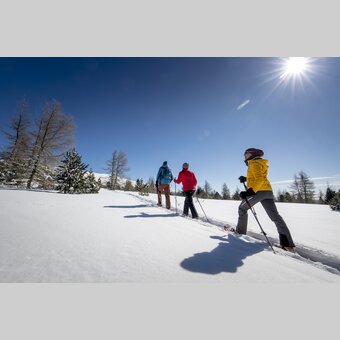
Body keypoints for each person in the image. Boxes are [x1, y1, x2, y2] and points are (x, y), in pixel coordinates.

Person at [233, 148, 296, 251]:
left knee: (242, 209)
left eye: (246, 153)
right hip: (267, 191)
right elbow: (259, 177)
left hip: (258, 192)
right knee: (275, 216)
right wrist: (246, 178)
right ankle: (287, 244)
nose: (244, 155)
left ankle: (240, 233)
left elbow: (259, 179)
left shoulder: (253, 163)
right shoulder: (259, 162)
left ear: (252, 154)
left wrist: (250, 192)